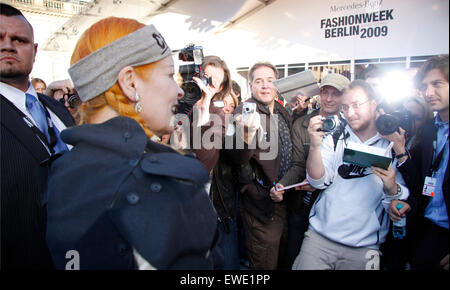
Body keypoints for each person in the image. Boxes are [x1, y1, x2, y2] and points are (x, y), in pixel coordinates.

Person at [45, 17, 219, 270]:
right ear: (130, 82)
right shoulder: (161, 179)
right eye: (170, 75)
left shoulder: (63, 167)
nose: (179, 91)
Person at [292, 79, 409, 270]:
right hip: (320, 239)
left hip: (365, 248)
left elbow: (398, 201)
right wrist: (314, 145)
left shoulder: (391, 144)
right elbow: (317, 180)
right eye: (345, 107)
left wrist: (391, 187)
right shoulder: (336, 136)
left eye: (356, 105)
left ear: (373, 103)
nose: (350, 113)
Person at [0, 4, 74, 270]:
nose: (8, 46)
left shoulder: (56, 108)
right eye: (0, 38)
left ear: (34, 50)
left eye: (19, 40)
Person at [271, 73, 350, 269]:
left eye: (336, 94)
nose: (329, 98)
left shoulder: (352, 125)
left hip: (339, 207)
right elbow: (298, 165)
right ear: (319, 93)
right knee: (295, 253)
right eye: (325, 92)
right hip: (304, 204)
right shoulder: (302, 124)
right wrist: (283, 184)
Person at [225, 62, 292, 270]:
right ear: (251, 86)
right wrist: (246, 134)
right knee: (264, 264)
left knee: (280, 258)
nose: (265, 86)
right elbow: (237, 157)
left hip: (285, 199)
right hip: (260, 205)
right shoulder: (244, 113)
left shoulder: (282, 112)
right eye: (258, 81)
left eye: (270, 81)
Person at [387, 55, 449, 270]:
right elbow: (426, 185)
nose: (429, 92)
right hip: (427, 229)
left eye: (437, 84)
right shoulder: (431, 129)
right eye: (425, 86)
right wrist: (407, 203)